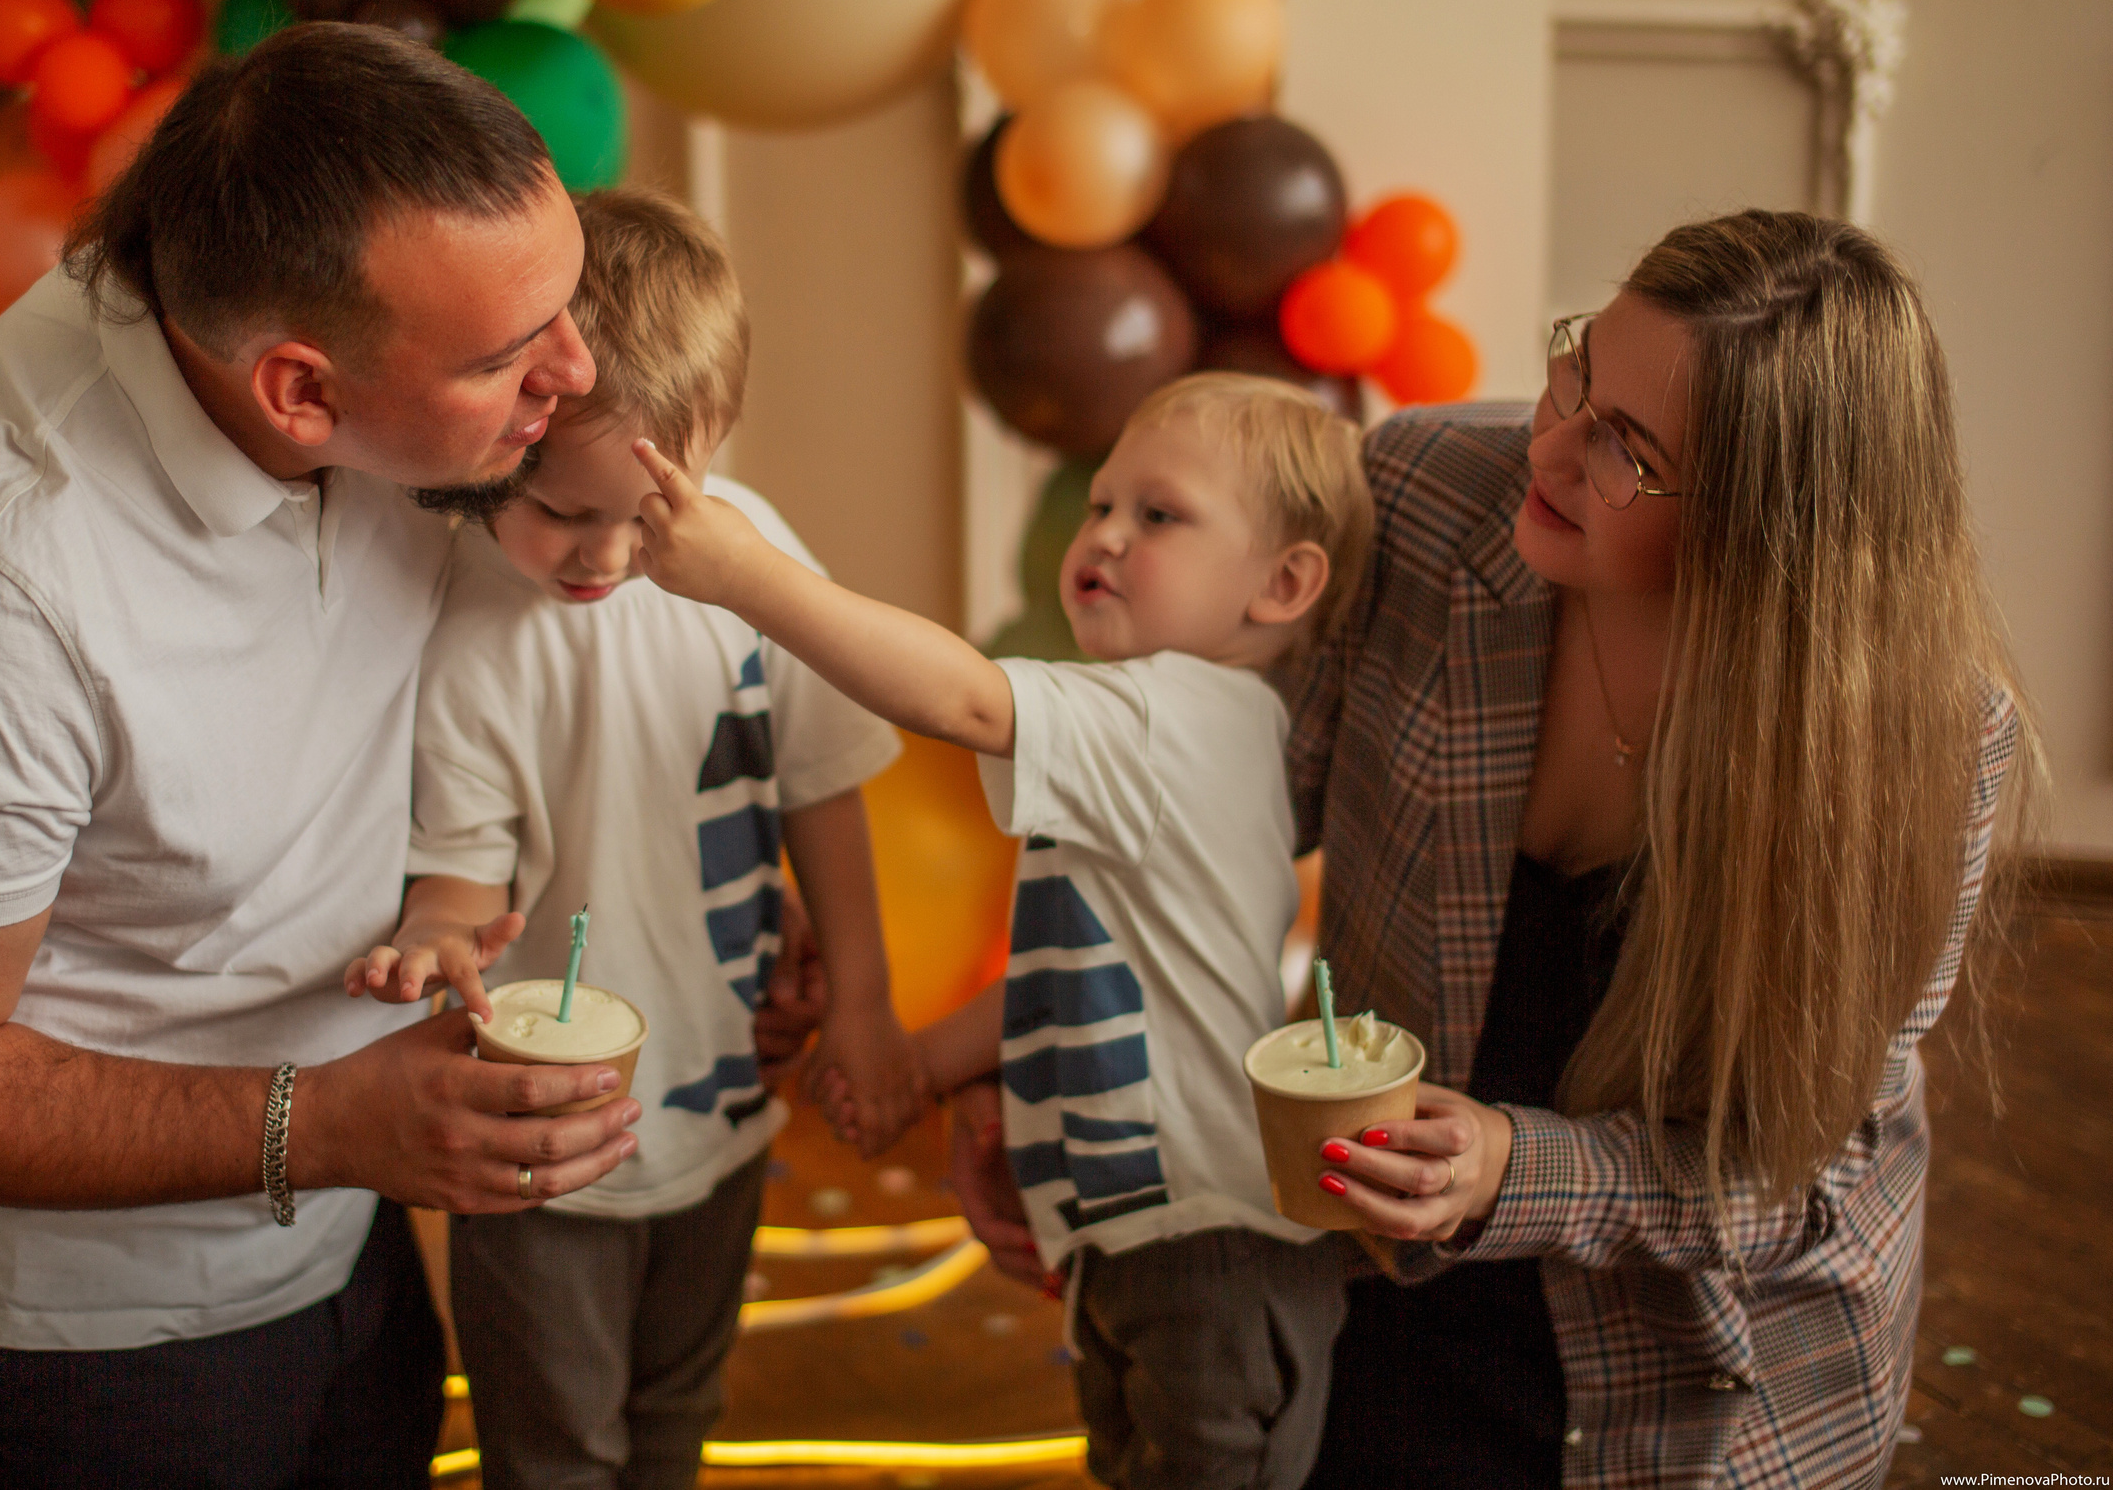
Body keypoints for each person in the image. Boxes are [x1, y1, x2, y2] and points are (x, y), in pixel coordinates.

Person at [951, 210, 2040, 1489]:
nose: (1553, 444)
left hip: (1701, 1374)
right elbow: (1197, 824)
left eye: (1625, 448)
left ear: (1769, 536)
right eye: (1577, 369)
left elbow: (1791, 1176)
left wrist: (1517, 1168)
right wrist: (1020, 1071)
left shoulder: (1917, 741)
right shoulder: (1423, 494)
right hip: (1381, 1283)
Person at [0, 25, 646, 1489]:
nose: (578, 366)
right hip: (77, 1327)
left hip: (342, 1208)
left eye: (567, 306)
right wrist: (334, 1114)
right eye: (509, 354)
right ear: (299, 393)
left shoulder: (392, 395)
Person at [633, 372, 1378, 1490]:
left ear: (1282, 584)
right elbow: (1065, 974)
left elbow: (966, 700)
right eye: (1100, 506)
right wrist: (921, 1065)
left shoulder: (1179, 717)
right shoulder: (1158, 731)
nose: (1108, 533)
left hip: (1210, 1254)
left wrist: (748, 579)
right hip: (1132, 1250)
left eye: (1159, 515)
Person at [344, 184, 919, 1488]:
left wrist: (869, 1002)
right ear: (510, 433)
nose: (604, 552)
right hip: (542, 1135)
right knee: (551, 1444)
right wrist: (437, 928)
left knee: (674, 1414)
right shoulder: (473, 629)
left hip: (722, 1098)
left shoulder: (757, 558)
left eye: (648, 510)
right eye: (559, 508)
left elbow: (821, 783)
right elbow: (463, 854)